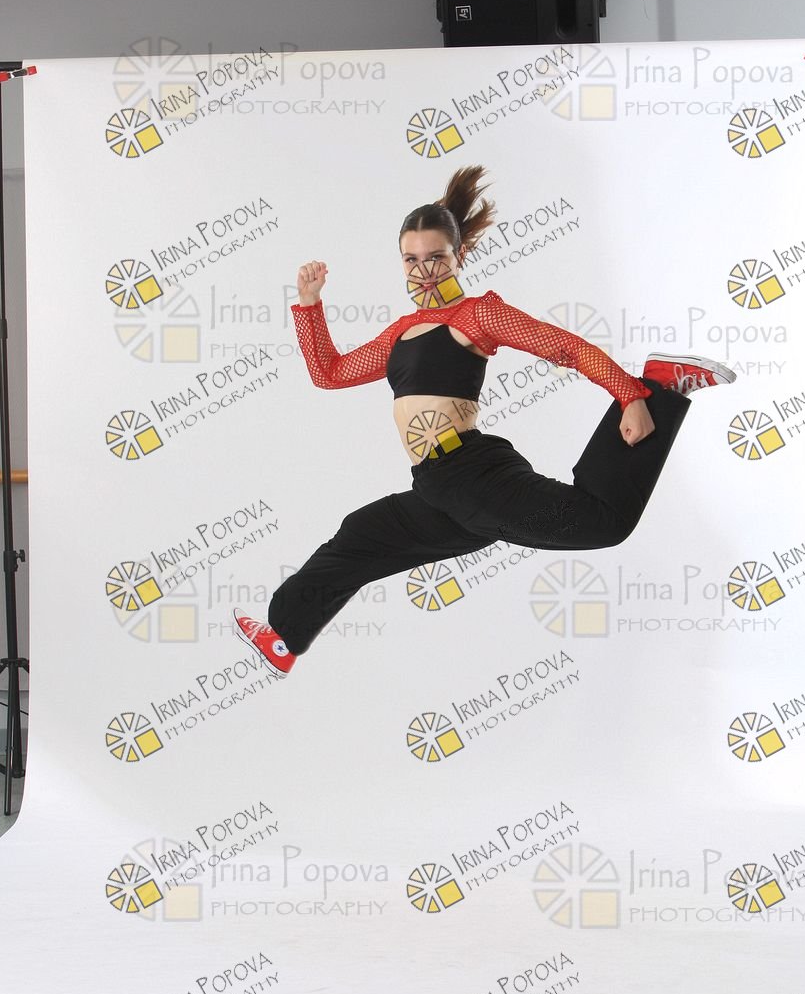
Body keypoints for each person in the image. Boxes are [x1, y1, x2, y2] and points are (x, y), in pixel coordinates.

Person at [233, 165, 734, 674]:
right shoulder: (400, 332)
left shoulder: (478, 315)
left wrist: (629, 394)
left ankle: (661, 386)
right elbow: (330, 373)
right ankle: (283, 637)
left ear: (460, 255)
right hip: (438, 486)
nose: (424, 271)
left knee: (603, 522)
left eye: (436, 257)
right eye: (411, 259)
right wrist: (310, 305)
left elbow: (564, 346)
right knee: (361, 535)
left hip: (472, 477)